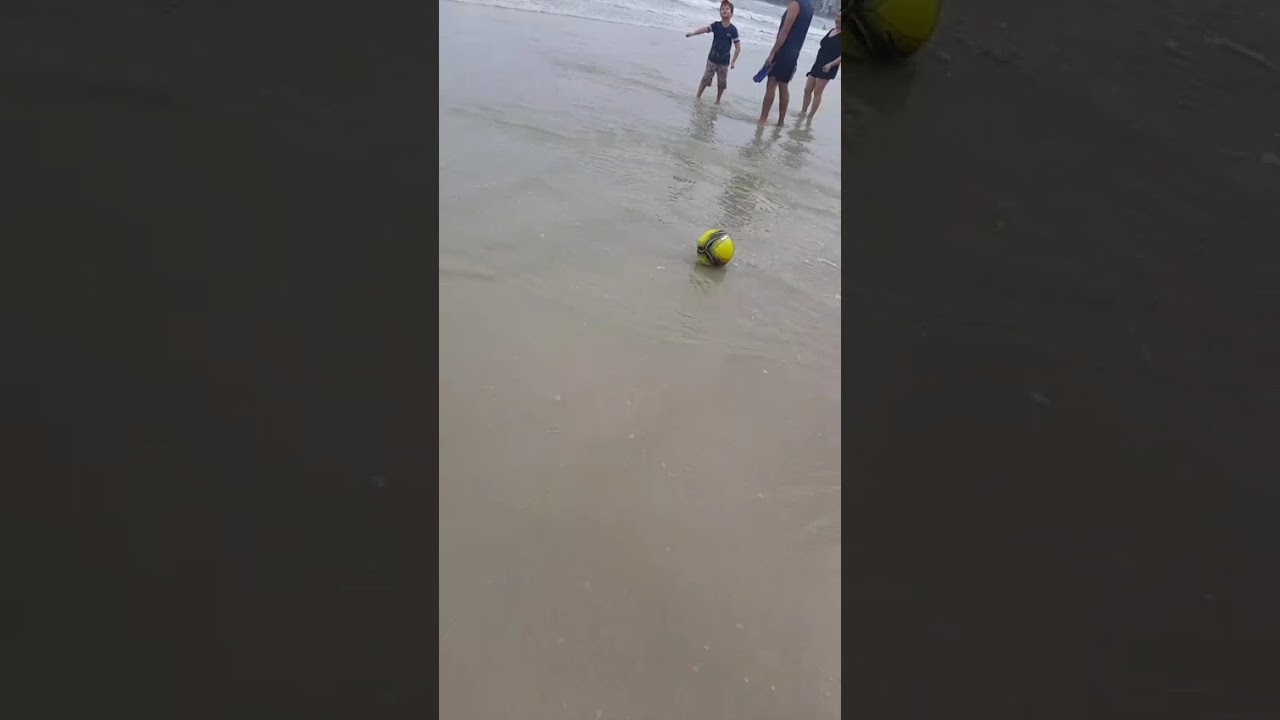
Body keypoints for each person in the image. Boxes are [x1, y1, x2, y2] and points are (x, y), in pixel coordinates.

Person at [757, 0, 814, 127]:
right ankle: (781, 122)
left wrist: (772, 53)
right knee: (783, 85)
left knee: (771, 84)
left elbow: (785, 31)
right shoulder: (809, 7)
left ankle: (763, 120)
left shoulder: (796, 4)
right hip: (794, 52)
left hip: (784, 50)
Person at [685, 2, 741, 105]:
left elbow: (738, 48)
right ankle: (698, 96)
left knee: (722, 83)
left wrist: (733, 61)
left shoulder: (733, 30)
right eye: (722, 9)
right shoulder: (716, 25)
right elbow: (705, 29)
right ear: (720, 12)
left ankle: (718, 101)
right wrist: (693, 33)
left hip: (724, 62)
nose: (724, 10)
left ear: (731, 14)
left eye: (727, 9)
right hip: (712, 58)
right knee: (706, 78)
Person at [799, 10, 841, 120]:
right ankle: (803, 112)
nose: (838, 19)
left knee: (817, 92)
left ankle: (810, 117)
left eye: (841, 17)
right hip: (818, 63)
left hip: (828, 66)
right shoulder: (832, 30)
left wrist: (831, 64)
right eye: (838, 16)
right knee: (807, 89)